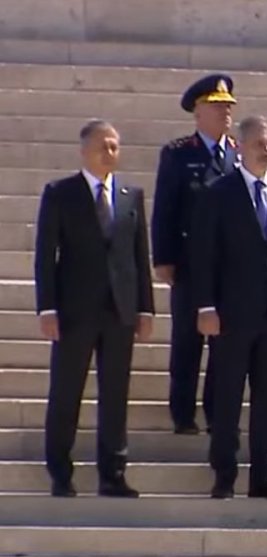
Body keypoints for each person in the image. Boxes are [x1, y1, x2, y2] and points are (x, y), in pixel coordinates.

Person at [191, 115, 267, 500]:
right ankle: (224, 474)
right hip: (231, 314)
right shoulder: (218, 192)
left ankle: (264, 474)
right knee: (227, 397)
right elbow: (203, 256)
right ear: (240, 147)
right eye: (260, 144)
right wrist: (206, 306)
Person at [34, 119, 154, 498]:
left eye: (115, 146)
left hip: (119, 310)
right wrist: (47, 308)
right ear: (84, 151)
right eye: (103, 146)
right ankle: (60, 472)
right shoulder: (60, 193)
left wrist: (146, 308)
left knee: (115, 394)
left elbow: (140, 255)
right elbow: (45, 255)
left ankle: (113, 473)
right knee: (66, 392)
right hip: (75, 311)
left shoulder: (131, 195)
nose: (109, 153)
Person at [151, 74, 238, 435]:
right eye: (217, 107)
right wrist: (163, 258)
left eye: (228, 107)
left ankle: (217, 414)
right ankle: (183, 414)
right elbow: (165, 209)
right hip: (189, 264)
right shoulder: (179, 153)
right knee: (187, 342)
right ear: (198, 112)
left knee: (224, 346)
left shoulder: (237, 154)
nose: (225, 112)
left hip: (229, 268)